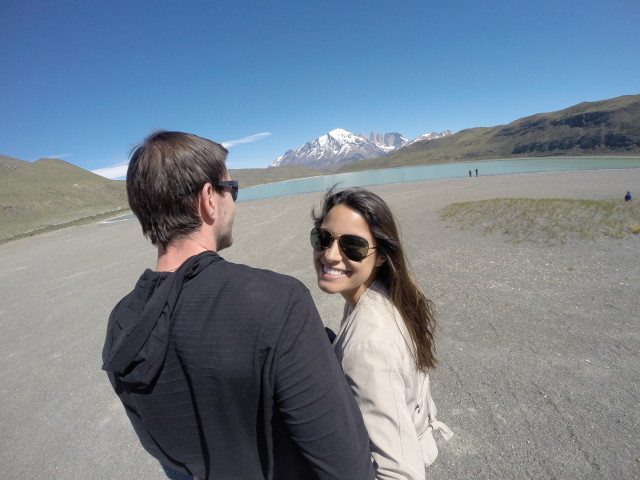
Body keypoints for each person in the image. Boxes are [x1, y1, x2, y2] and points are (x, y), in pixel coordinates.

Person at [102, 131, 374, 480]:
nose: (234, 200)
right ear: (208, 200)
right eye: (231, 188)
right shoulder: (276, 302)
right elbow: (347, 467)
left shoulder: (122, 324)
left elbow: (169, 454)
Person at [310, 187, 452, 480]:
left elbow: (400, 473)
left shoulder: (368, 343)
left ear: (380, 257)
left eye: (353, 246)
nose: (330, 254)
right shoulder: (387, 296)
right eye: (323, 239)